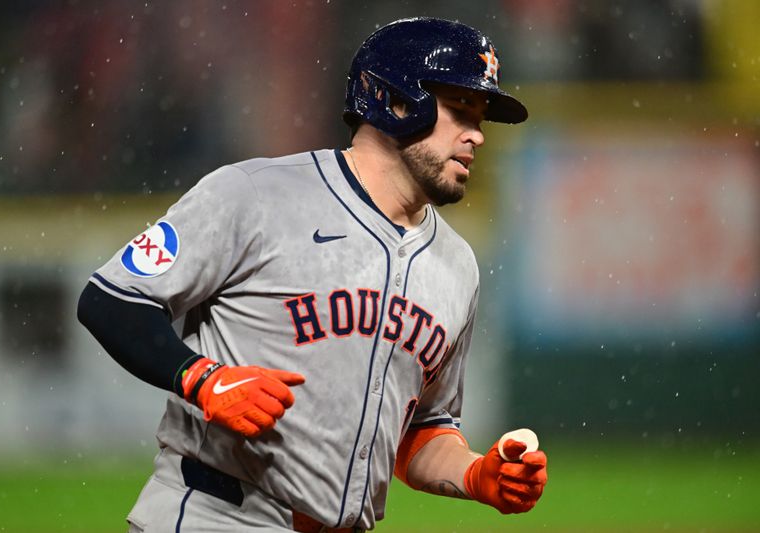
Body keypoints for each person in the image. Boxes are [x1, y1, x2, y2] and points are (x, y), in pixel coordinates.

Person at [78, 16, 548, 533]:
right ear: (395, 101)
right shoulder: (255, 195)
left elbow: (421, 432)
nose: (477, 135)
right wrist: (203, 380)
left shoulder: (457, 266)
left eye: (480, 117)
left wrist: (477, 474)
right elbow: (111, 299)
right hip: (216, 515)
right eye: (461, 109)